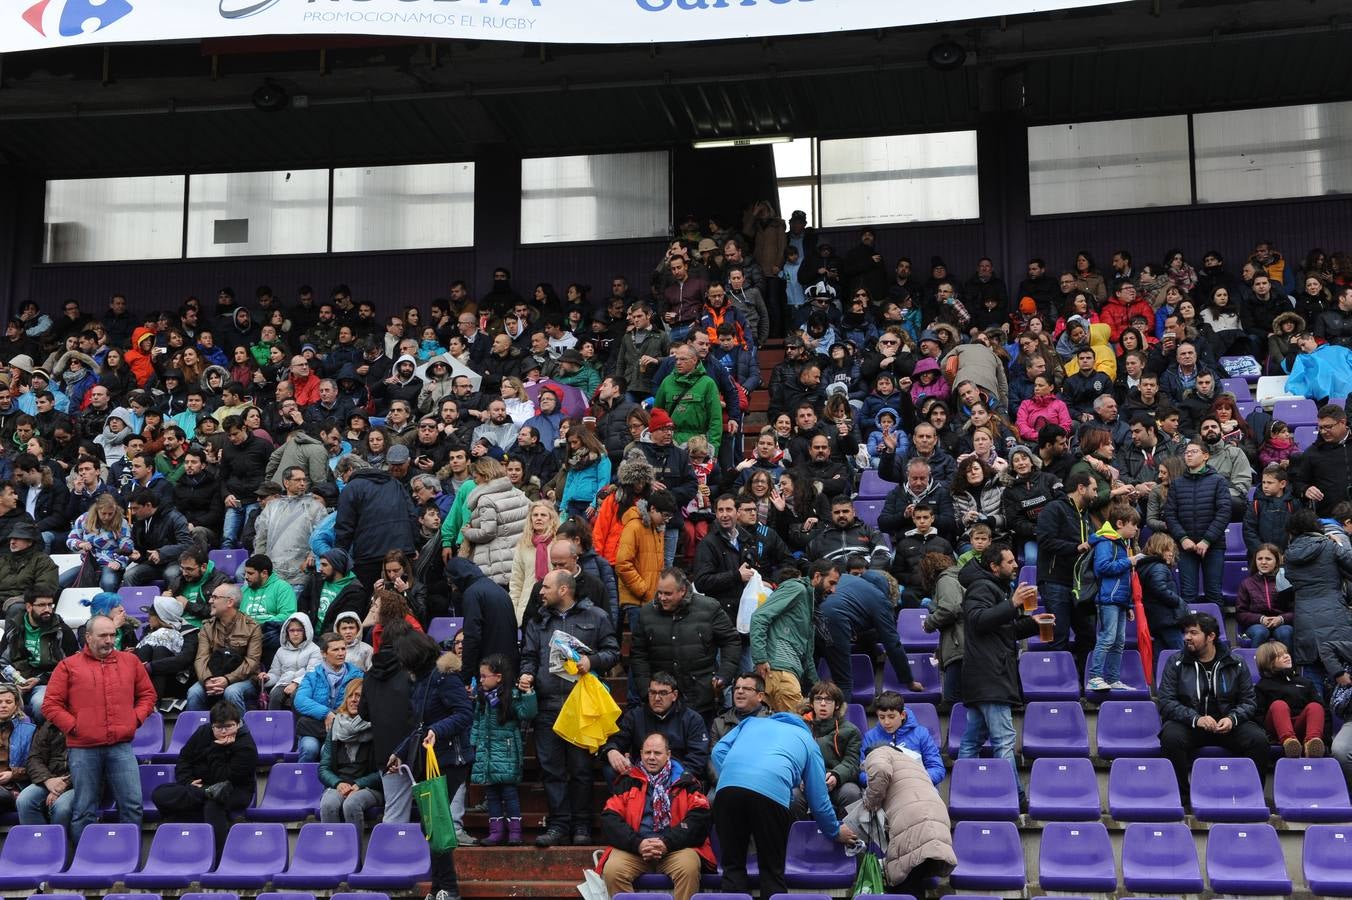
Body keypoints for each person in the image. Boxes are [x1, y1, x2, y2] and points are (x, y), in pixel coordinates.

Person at [709, 712, 858, 900]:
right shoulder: (808, 741)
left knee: (732, 867)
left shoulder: (751, 722)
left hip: (727, 791)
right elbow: (818, 799)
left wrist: (736, 775)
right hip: (770, 796)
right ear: (808, 728)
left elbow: (718, 751)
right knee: (772, 870)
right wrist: (834, 831)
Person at [519, 569, 619, 846]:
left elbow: (613, 652)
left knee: (581, 769)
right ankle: (559, 824)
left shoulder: (596, 616)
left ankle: (582, 826)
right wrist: (526, 674)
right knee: (551, 769)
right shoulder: (537, 620)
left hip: (581, 706)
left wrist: (592, 662)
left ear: (564, 590)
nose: (540, 591)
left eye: (546, 587)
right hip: (547, 705)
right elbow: (528, 655)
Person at [41, 614, 156, 844]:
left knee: (132, 806)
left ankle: (128, 858)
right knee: (84, 810)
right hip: (83, 748)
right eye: (103, 635)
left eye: (113, 635)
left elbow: (148, 695)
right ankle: (85, 864)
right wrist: (74, 727)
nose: (109, 640)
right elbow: (50, 705)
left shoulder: (130, 662)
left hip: (121, 746)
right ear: (88, 637)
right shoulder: (68, 666)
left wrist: (134, 720)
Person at [386, 631, 474, 900]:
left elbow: (464, 714)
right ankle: (440, 887)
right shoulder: (422, 681)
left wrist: (437, 729)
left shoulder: (445, 678)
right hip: (432, 758)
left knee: (435, 823)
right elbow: (419, 726)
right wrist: (400, 753)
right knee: (431, 826)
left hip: (452, 759)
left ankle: (448, 888)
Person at [960, 545, 1049, 801]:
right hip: (990, 675)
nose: (1015, 565)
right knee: (1004, 740)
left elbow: (1001, 630)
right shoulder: (981, 587)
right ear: (994, 566)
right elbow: (978, 620)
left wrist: (1033, 623)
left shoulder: (996, 588)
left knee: (972, 741)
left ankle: (963, 790)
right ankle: (1013, 795)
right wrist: (1012, 603)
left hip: (986, 674)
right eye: (1009, 562)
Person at [1156, 612, 1269, 806]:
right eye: (1185, 633)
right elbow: (1166, 701)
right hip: (1191, 724)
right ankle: (1182, 798)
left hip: (1227, 725)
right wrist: (1195, 718)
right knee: (1170, 737)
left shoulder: (1236, 663)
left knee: (1258, 740)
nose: (1187, 638)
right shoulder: (1176, 662)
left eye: (1193, 633)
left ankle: (1250, 796)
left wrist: (1233, 719)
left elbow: (1249, 701)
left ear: (1211, 637)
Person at [598, 732, 716, 900]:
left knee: (689, 867)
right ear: (640, 754)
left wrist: (666, 843)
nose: (651, 757)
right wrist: (638, 844)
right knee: (612, 870)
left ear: (668, 755)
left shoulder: (687, 782)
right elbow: (609, 819)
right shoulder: (627, 781)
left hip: (674, 848)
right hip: (635, 849)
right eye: (647, 753)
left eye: (657, 753)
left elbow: (700, 819)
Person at [629, 567, 741, 725]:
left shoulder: (709, 608)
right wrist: (645, 690)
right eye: (659, 592)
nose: (662, 598)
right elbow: (638, 654)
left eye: (668, 594)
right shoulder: (646, 613)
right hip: (662, 700)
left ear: (682, 591)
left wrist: (724, 674)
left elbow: (731, 640)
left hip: (701, 696)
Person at [152, 701, 258, 857]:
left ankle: (217, 855)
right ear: (212, 725)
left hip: (234, 789)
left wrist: (217, 749)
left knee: (214, 804)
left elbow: (223, 777)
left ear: (238, 724)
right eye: (218, 727)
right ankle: (205, 794)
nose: (223, 732)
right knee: (160, 793)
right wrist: (187, 781)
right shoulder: (203, 732)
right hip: (202, 787)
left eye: (229, 726)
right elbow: (184, 759)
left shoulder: (246, 746)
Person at [861, 742, 957, 893]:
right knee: (916, 877)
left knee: (903, 883)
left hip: (914, 818)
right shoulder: (912, 762)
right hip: (936, 815)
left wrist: (870, 801)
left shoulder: (879, 752)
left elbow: (880, 769)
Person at [819, 569, 921, 699]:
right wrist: (909, 681)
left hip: (812, 616)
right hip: (835, 622)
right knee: (844, 682)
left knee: (810, 676)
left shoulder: (845, 578)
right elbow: (892, 644)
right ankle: (841, 719)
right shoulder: (880, 599)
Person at [470, 653, 537, 846]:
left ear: (498, 677)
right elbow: (477, 722)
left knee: (509, 793)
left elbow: (528, 713)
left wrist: (529, 694)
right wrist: (474, 744)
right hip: (486, 752)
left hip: (506, 753)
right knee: (491, 793)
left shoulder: (512, 695)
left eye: (484, 676)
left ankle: (515, 832)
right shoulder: (481, 698)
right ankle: (496, 832)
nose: (481, 680)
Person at [602, 672, 710, 783]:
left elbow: (698, 755)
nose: (657, 698)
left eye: (663, 693)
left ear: (674, 695)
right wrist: (611, 750)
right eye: (653, 692)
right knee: (610, 769)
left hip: (678, 775)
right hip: (640, 775)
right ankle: (626, 800)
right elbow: (617, 739)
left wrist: (674, 776)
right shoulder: (635, 716)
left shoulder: (692, 719)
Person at [1284, 509, 1352, 684]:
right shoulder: (1330, 545)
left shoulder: (1289, 555)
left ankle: (1318, 710)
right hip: (1334, 613)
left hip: (1304, 616)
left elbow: (1290, 580)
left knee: (1312, 671)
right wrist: (1340, 546)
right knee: (1340, 669)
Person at [333, 454, 420, 591]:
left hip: (369, 556)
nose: (343, 482)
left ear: (349, 469)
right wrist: (414, 545)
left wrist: (339, 558)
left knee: (371, 600)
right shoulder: (394, 483)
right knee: (402, 597)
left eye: (342, 476)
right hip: (401, 552)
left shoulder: (351, 488)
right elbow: (412, 515)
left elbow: (344, 526)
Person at [749, 563, 825, 713]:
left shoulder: (807, 608)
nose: (834, 590)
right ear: (817, 577)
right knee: (797, 728)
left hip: (785, 673)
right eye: (832, 583)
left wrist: (819, 688)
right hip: (781, 674)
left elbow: (808, 656)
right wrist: (760, 658)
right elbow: (758, 618)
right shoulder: (797, 588)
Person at [1164, 439, 1230, 605]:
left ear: (1205, 456)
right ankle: (1189, 631)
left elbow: (1224, 513)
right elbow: (1170, 515)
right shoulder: (1177, 484)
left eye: (1193, 452)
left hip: (1213, 545)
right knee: (1188, 593)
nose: (1189, 455)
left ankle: (1216, 630)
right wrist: (1182, 538)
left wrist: (1207, 540)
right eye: (1186, 452)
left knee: (1214, 592)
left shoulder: (1218, 481)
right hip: (1185, 547)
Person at [1086, 505, 1141, 693]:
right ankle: (1095, 677)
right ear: (1119, 523)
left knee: (1119, 641)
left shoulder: (1121, 543)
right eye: (1133, 525)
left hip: (1119, 601)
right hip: (1107, 599)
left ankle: (1113, 678)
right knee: (1107, 638)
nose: (1135, 529)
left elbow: (1123, 580)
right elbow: (1102, 567)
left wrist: (1128, 605)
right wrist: (1129, 561)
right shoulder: (1106, 542)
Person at [317, 678, 383, 832]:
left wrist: (359, 784)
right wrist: (338, 783)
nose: (354, 700)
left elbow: (384, 770)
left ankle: (355, 855)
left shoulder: (378, 726)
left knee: (351, 803)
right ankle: (333, 853)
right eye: (350, 696)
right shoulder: (336, 725)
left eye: (359, 696)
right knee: (328, 804)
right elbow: (324, 768)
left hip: (369, 787)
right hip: (340, 784)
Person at [4, 588, 78, 723]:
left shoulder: (61, 631)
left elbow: (72, 666)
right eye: (42, 605)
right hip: (14, 681)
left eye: (50, 605)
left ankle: (41, 739)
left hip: (46, 682)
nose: (48, 609)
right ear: (28, 606)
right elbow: (2, 660)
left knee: (41, 704)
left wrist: (39, 679)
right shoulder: (15, 627)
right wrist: (13, 678)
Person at [188, 583, 262, 714]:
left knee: (232, 692)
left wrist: (228, 679)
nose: (210, 601)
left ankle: (241, 732)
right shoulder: (207, 627)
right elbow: (201, 658)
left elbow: (251, 662)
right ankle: (199, 732)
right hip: (212, 677)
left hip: (244, 679)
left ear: (230, 602)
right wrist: (207, 679)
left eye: (215, 597)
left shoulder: (252, 627)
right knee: (194, 692)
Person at [792, 681, 861, 818]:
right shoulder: (798, 728)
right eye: (818, 699)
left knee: (851, 793)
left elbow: (852, 763)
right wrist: (800, 778)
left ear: (837, 705)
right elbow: (791, 760)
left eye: (828, 700)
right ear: (811, 703)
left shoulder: (850, 731)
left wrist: (836, 776)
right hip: (805, 783)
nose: (823, 704)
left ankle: (847, 836)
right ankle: (799, 837)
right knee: (792, 796)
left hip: (835, 783)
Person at [295, 631, 364, 763]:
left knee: (326, 751)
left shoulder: (357, 675)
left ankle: (330, 783)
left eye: (343, 648)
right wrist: (326, 713)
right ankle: (302, 782)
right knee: (310, 748)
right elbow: (300, 700)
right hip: (315, 727)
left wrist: (337, 716)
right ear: (323, 653)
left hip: (342, 728)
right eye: (335, 649)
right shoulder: (313, 675)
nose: (341, 653)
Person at [1254, 641, 1325, 758]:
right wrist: (1267, 738)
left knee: (1315, 707)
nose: (1286, 656)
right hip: (1276, 730)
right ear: (1268, 662)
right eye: (1279, 655)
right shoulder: (1262, 686)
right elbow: (1258, 716)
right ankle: (1289, 743)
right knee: (1279, 705)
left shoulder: (1305, 682)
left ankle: (1312, 744)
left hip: (1300, 727)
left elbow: (1324, 712)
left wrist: (1326, 740)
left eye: (1286, 653)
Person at [858, 688, 945, 784]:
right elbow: (861, 773)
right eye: (882, 717)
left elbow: (937, 769)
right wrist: (880, 780)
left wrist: (916, 779)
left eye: (891, 717)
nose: (886, 722)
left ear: (902, 715)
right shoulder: (870, 737)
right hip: (883, 789)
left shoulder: (921, 734)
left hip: (917, 786)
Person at [135, 595, 200, 711]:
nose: (148, 617)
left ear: (162, 616)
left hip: (177, 681)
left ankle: (153, 704)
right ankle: (139, 701)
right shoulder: (148, 630)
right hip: (149, 681)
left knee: (161, 650)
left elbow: (184, 660)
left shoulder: (190, 632)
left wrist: (150, 667)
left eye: (151, 614)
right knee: (145, 649)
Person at [1289, 404, 1352, 516]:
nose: (1323, 431)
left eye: (1328, 427)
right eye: (1320, 427)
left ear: (1342, 422)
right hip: (1329, 518)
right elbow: (1297, 483)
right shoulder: (1312, 453)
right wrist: (1305, 489)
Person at [123, 488, 194, 587]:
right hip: (152, 564)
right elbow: (144, 551)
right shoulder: (139, 522)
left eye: (136, 508)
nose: (133, 512)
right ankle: (133, 602)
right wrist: (139, 556)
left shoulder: (174, 517)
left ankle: (173, 601)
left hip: (174, 561)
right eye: (132, 509)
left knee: (171, 574)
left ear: (148, 505)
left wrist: (161, 552)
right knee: (130, 575)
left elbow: (187, 545)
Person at [920, 552, 964, 702]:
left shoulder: (945, 580)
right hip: (963, 644)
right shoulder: (957, 577)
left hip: (959, 647)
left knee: (953, 697)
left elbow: (950, 609)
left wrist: (928, 623)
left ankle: (959, 726)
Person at [16, 716, 72, 827]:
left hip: (79, 783)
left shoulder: (89, 724)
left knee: (62, 807)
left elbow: (91, 764)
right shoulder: (49, 726)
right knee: (24, 800)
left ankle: (59, 842)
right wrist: (47, 780)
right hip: (49, 778)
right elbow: (34, 758)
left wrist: (65, 784)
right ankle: (38, 842)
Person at [1235, 544, 1294, 648]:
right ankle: (1254, 663)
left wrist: (1281, 618)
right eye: (1260, 559)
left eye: (1268, 559)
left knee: (1285, 632)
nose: (1263, 562)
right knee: (1260, 632)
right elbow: (1240, 613)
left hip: (1282, 623)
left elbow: (1296, 610)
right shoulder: (1247, 583)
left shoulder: (1286, 581)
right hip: (1256, 625)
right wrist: (1261, 619)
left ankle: (1289, 664)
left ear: (1277, 561)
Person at [1138, 533, 1187, 655]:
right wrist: (1177, 600)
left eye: (1172, 550)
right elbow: (1159, 588)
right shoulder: (1159, 567)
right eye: (1167, 550)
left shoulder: (1147, 566)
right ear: (1158, 549)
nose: (1171, 553)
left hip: (1157, 619)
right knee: (1181, 652)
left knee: (1160, 652)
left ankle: (1159, 674)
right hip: (1167, 618)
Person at [260, 612, 321, 711]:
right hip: (284, 683)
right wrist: (267, 678)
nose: (295, 634)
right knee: (275, 695)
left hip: (306, 684)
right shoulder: (281, 650)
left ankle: (297, 725)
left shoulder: (314, 649)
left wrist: (296, 683)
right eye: (292, 630)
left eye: (299, 630)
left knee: (296, 697)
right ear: (286, 632)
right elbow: (275, 673)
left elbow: (312, 673)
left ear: (306, 631)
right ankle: (273, 724)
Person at [300, 548, 368, 636]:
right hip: (309, 633)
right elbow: (303, 601)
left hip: (333, 639)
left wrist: (324, 639)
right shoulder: (317, 580)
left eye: (324, 565)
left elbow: (345, 620)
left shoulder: (356, 591)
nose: (320, 569)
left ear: (337, 566)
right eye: (320, 565)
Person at [0, 521, 59, 602]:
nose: (12, 542)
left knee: (15, 608)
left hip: (25, 601)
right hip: (2, 599)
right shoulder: (4, 560)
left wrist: (23, 598)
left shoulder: (42, 561)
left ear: (29, 542)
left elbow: (45, 587)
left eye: (17, 538)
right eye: (11, 539)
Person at [0, 683, 34, 814]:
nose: (3, 705)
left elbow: (36, 766)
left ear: (16, 705)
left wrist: (12, 775)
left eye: (8, 702)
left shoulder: (29, 730)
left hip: (14, 787)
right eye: (0, 702)